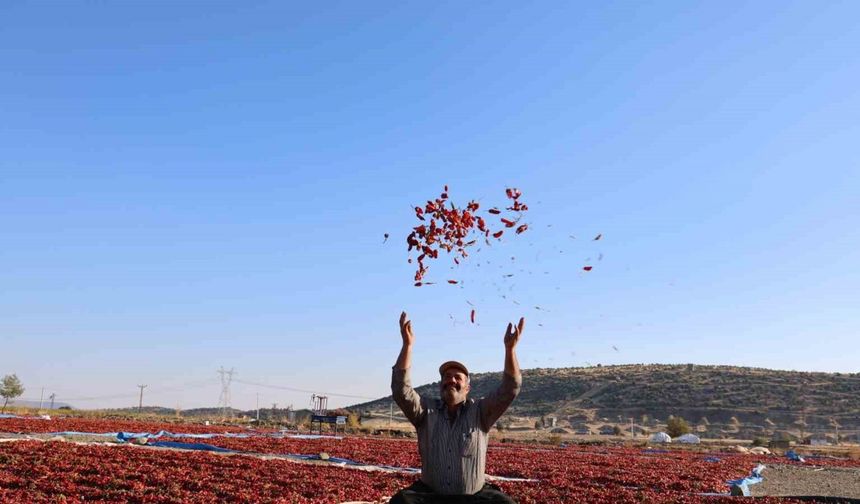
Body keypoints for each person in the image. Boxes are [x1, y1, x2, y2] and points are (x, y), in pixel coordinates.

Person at [389, 311, 523, 504]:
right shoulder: (425, 411)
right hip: (431, 496)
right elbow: (400, 390)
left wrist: (510, 350)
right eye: (446, 377)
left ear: (467, 387)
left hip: (472, 497)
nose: (451, 380)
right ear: (440, 385)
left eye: (457, 377)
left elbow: (510, 388)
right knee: (400, 502)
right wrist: (407, 345)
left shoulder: (481, 412)